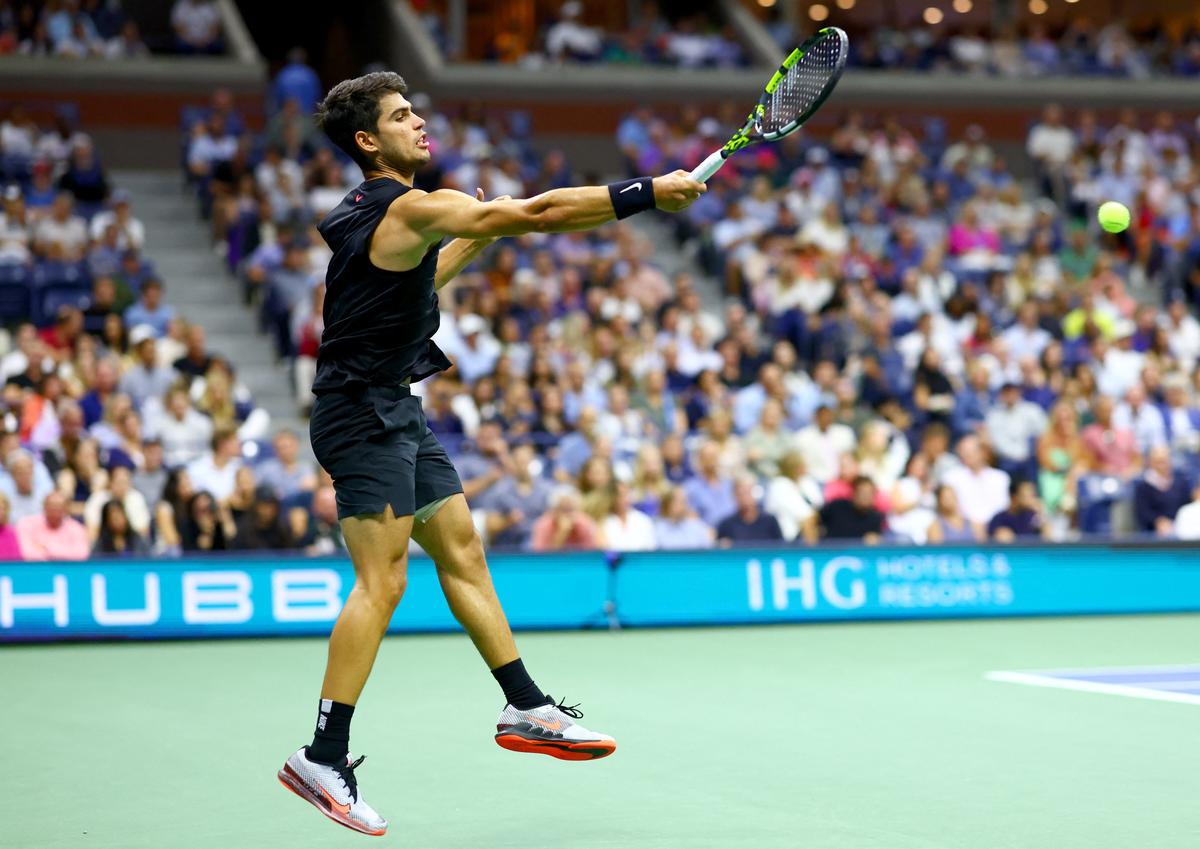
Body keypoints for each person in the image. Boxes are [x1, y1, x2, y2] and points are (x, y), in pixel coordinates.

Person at [279, 71, 703, 833]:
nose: (420, 123)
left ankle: (526, 705)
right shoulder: (409, 204)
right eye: (402, 115)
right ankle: (322, 754)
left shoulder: (374, 217)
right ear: (368, 141)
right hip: (359, 416)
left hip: (395, 411)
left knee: (464, 553)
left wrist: (475, 234)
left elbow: (424, 273)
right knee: (383, 582)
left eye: (417, 110)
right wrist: (647, 193)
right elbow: (537, 213)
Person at [1133, 445, 1192, 537]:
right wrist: (1158, 521)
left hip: (1181, 528)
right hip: (1154, 533)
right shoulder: (1143, 487)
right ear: (1151, 463)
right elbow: (1143, 512)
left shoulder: (1181, 483)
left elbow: (1187, 505)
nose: (1163, 465)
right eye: (1159, 462)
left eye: (1165, 461)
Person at [16, 492, 89, 561]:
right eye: (51, 506)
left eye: (59, 507)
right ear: (44, 507)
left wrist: (48, 548)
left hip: (67, 571)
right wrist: (65, 552)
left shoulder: (76, 528)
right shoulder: (27, 523)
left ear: (66, 509)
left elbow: (81, 554)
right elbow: (26, 553)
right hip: (35, 570)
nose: (55, 510)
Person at [715, 476, 783, 546]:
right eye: (741, 494)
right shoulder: (726, 525)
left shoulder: (770, 521)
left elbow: (782, 548)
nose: (745, 497)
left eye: (748, 492)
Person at [818, 475, 885, 543]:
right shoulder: (836, 507)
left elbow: (875, 538)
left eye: (869, 493)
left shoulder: (875, 518)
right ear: (854, 493)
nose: (866, 497)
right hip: (829, 551)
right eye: (863, 493)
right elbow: (816, 519)